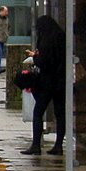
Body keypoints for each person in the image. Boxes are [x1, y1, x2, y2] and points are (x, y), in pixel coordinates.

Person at [22, 14, 66, 155]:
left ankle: (36, 145)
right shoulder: (61, 36)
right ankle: (59, 145)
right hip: (60, 81)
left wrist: (35, 57)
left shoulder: (45, 40)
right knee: (60, 113)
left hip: (47, 81)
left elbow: (42, 61)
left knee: (38, 112)